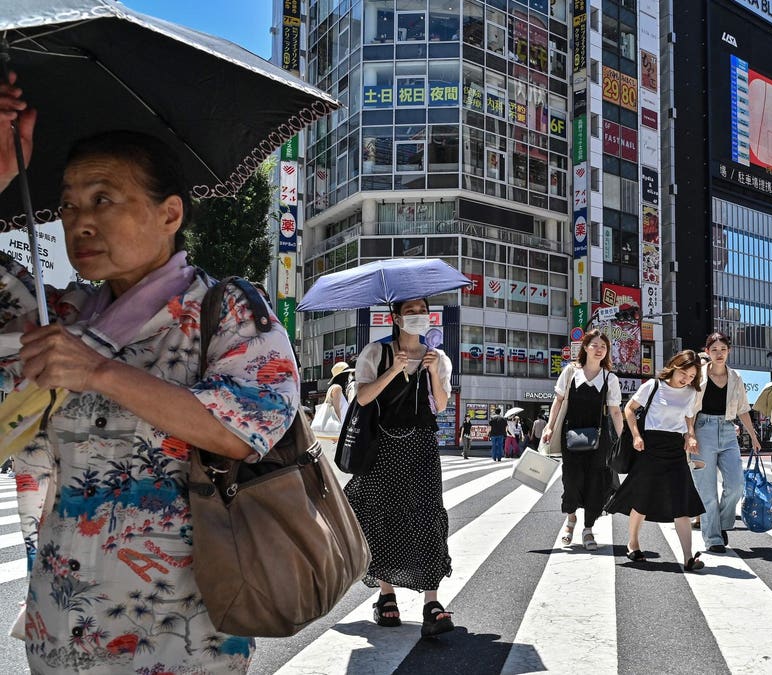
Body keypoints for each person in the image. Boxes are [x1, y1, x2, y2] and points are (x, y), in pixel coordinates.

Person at [0, 89, 299, 671]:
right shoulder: (60, 316)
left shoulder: (226, 307)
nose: (79, 221)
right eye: (67, 205)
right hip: (62, 623)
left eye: (103, 198)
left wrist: (99, 372)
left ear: (169, 214)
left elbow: (248, 426)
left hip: (184, 629)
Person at [343, 298, 457, 637]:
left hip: (421, 447)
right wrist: (394, 369)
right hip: (381, 448)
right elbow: (361, 398)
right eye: (411, 313)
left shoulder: (438, 358)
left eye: (423, 312)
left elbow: (440, 405)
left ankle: (432, 603)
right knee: (382, 517)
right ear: (396, 318)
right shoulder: (376, 353)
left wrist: (434, 372)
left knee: (427, 515)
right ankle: (386, 595)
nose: (418, 318)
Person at [608, 350, 707, 571]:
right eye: (684, 373)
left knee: (681, 502)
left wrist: (690, 435)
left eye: (692, 376)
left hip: (675, 448)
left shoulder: (691, 392)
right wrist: (635, 435)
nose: (687, 379)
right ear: (674, 366)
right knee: (642, 500)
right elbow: (629, 409)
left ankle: (688, 557)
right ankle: (633, 543)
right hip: (650, 446)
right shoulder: (653, 386)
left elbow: (689, 416)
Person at [541, 329, 624, 551]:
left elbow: (616, 412)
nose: (599, 350)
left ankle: (588, 529)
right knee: (571, 480)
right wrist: (549, 427)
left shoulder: (610, 378)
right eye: (595, 345)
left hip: (599, 439)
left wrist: (624, 438)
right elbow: (558, 402)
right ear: (585, 347)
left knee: (596, 483)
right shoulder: (570, 372)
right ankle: (571, 520)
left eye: (603, 347)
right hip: (571, 435)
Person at [690, 332, 762, 554]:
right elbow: (689, 408)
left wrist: (753, 435)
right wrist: (690, 434)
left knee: (736, 484)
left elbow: (743, 409)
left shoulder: (736, 377)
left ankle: (719, 524)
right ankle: (713, 538)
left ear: (729, 351)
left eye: (723, 349)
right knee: (707, 490)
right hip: (702, 430)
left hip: (729, 431)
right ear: (707, 352)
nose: (719, 354)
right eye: (714, 350)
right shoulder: (698, 375)